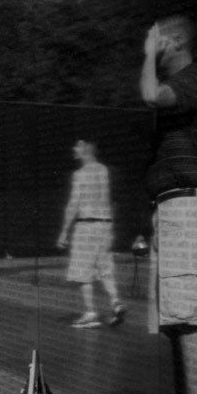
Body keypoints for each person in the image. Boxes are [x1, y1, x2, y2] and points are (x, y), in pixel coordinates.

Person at [138, 15, 197, 394]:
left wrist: (149, 52)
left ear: (175, 43)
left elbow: (150, 94)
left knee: (187, 320)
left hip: (188, 209)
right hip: (170, 211)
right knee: (174, 322)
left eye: (158, 41)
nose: (152, 48)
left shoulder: (196, 81)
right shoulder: (182, 93)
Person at [56, 140, 125, 328]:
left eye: (77, 146)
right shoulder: (103, 171)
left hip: (87, 226)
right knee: (105, 269)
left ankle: (90, 313)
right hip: (105, 225)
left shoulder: (80, 174)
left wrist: (64, 231)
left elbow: (73, 203)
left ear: (86, 151)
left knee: (82, 272)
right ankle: (116, 302)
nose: (73, 148)